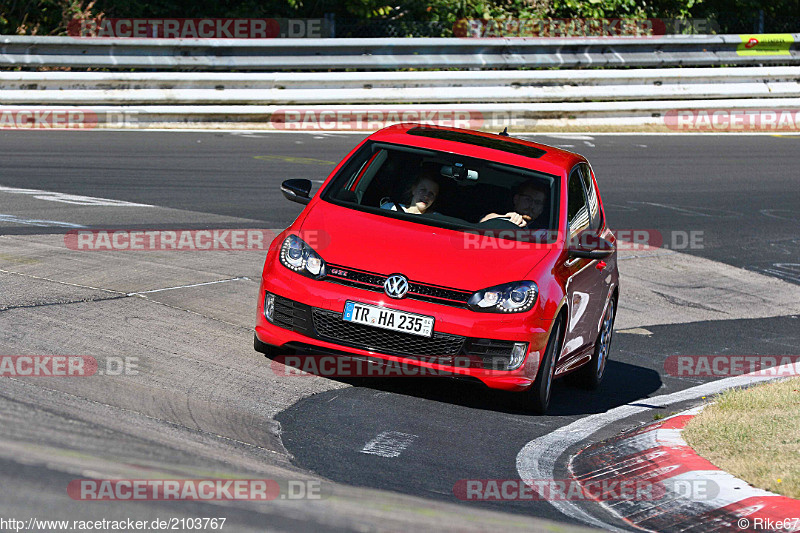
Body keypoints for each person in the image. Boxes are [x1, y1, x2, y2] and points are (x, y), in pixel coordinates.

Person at [480, 180, 548, 228]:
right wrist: (504, 218)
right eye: (528, 199)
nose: (532, 206)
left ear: (541, 210)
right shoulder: (502, 214)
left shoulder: (545, 233)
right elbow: (481, 223)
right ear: (516, 199)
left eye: (538, 202)